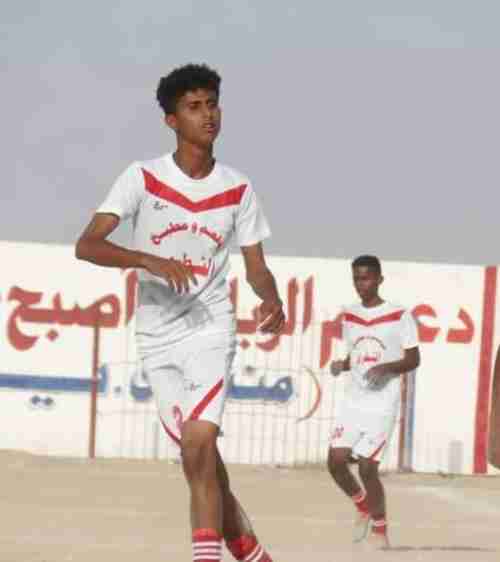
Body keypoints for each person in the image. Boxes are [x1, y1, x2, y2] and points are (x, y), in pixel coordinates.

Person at [76, 63, 284, 562]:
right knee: (199, 458)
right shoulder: (143, 178)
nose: (207, 115)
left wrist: (271, 297)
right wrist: (144, 259)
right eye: (194, 107)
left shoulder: (238, 188)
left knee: (200, 441)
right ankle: (251, 552)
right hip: (157, 336)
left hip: (210, 329)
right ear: (171, 120)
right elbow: (87, 245)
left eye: (212, 104)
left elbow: (256, 267)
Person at [328, 255, 420, 549]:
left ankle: (380, 529)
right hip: (354, 401)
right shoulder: (349, 316)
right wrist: (342, 365)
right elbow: (357, 354)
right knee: (335, 462)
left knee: (367, 467)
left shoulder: (399, 315)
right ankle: (362, 506)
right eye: (356, 278)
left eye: (366, 278)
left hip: (383, 403)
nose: (361, 283)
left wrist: (387, 367)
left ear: (379, 279)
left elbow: (413, 359)